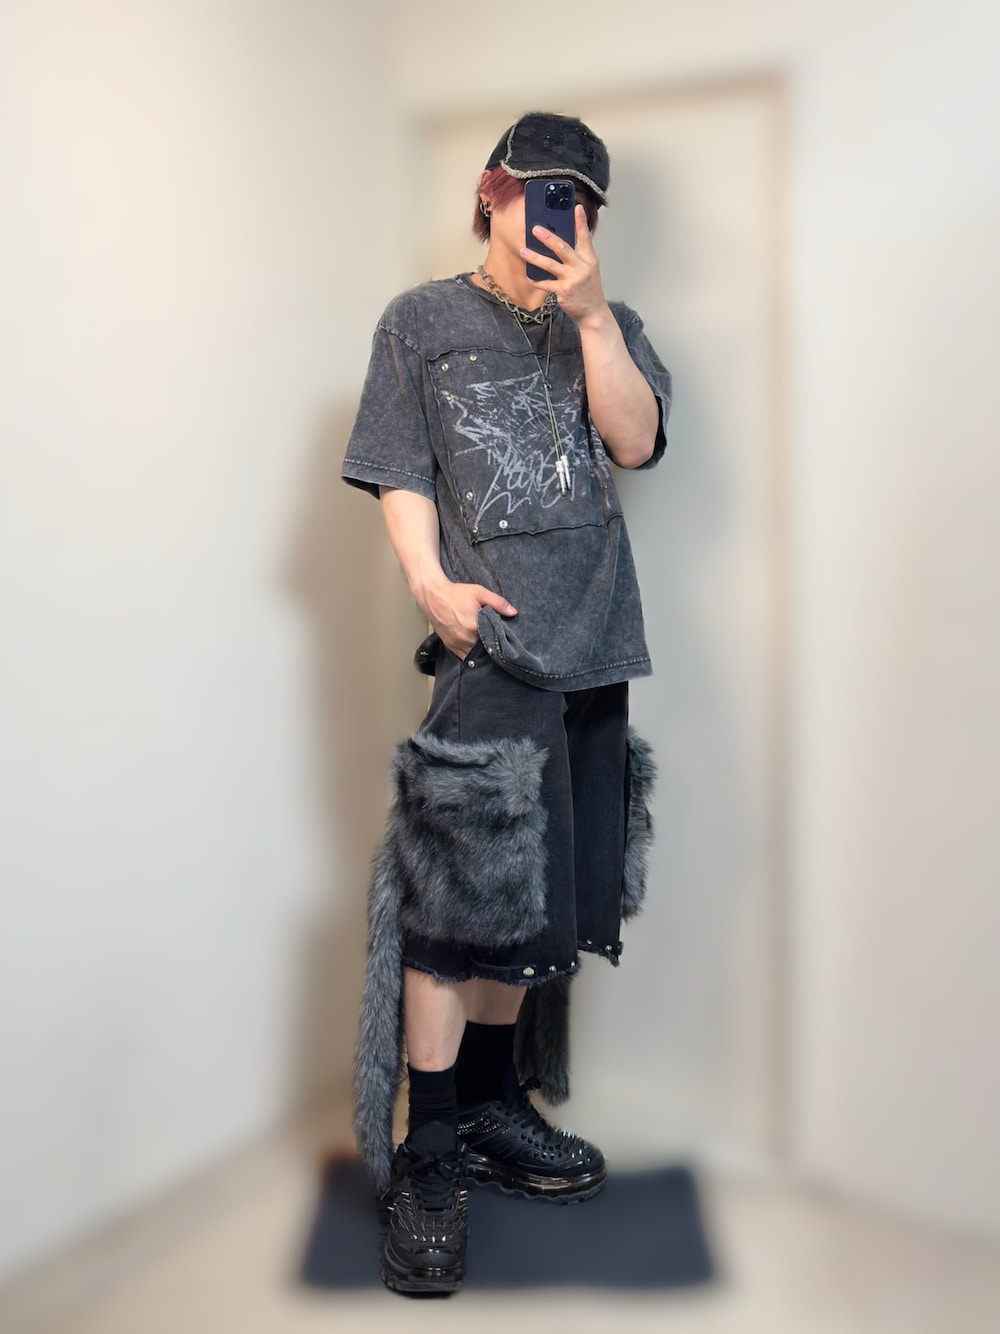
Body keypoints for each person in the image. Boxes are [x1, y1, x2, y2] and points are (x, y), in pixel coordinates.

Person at [341, 111, 670, 1295]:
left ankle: (486, 1104)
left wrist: (591, 317)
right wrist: (429, 583)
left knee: (532, 904)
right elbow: (397, 462)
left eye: (580, 199)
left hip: (593, 650)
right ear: (492, 190)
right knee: (454, 899)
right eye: (541, 190)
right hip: (490, 650)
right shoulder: (420, 321)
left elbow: (634, 440)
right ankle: (428, 1149)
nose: (557, 214)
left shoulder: (612, 324)